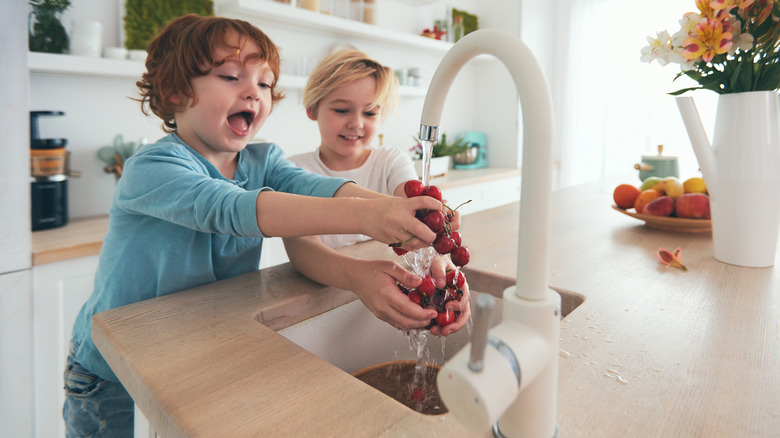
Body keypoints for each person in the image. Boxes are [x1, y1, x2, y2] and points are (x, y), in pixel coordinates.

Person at [63, 15, 453, 437]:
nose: (254, 91)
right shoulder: (152, 168)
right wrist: (370, 216)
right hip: (112, 361)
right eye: (231, 76)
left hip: (197, 351)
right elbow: (232, 208)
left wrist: (406, 209)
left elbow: (317, 188)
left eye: (265, 83)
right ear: (176, 92)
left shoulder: (262, 160)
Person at [284, 50, 470, 332]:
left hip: (385, 293)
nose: (356, 123)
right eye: (341, 109)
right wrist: (356, 276)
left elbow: (416, 211)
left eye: (370, 112)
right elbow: (302, 249)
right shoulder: (293, 170)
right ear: (312, 108)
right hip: (322, 305)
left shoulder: (390, 161)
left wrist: (441, 261)